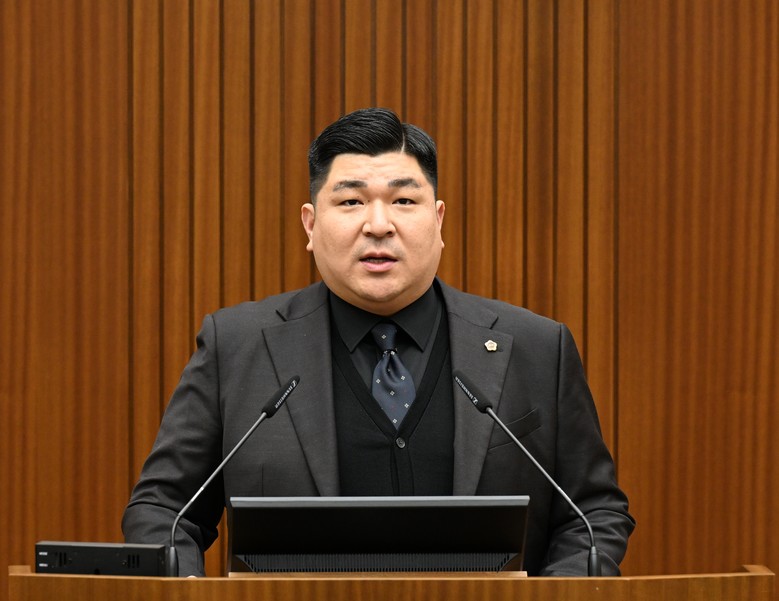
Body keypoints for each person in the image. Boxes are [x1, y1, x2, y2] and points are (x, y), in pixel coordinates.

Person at [123, 107, 634, 577]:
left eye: (404, 201)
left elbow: (593, 512)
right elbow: (163, 510)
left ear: (437, 220)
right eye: (351, 201)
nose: (378, 225)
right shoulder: (237, 347)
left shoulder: (536, 347)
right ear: (310, 224)